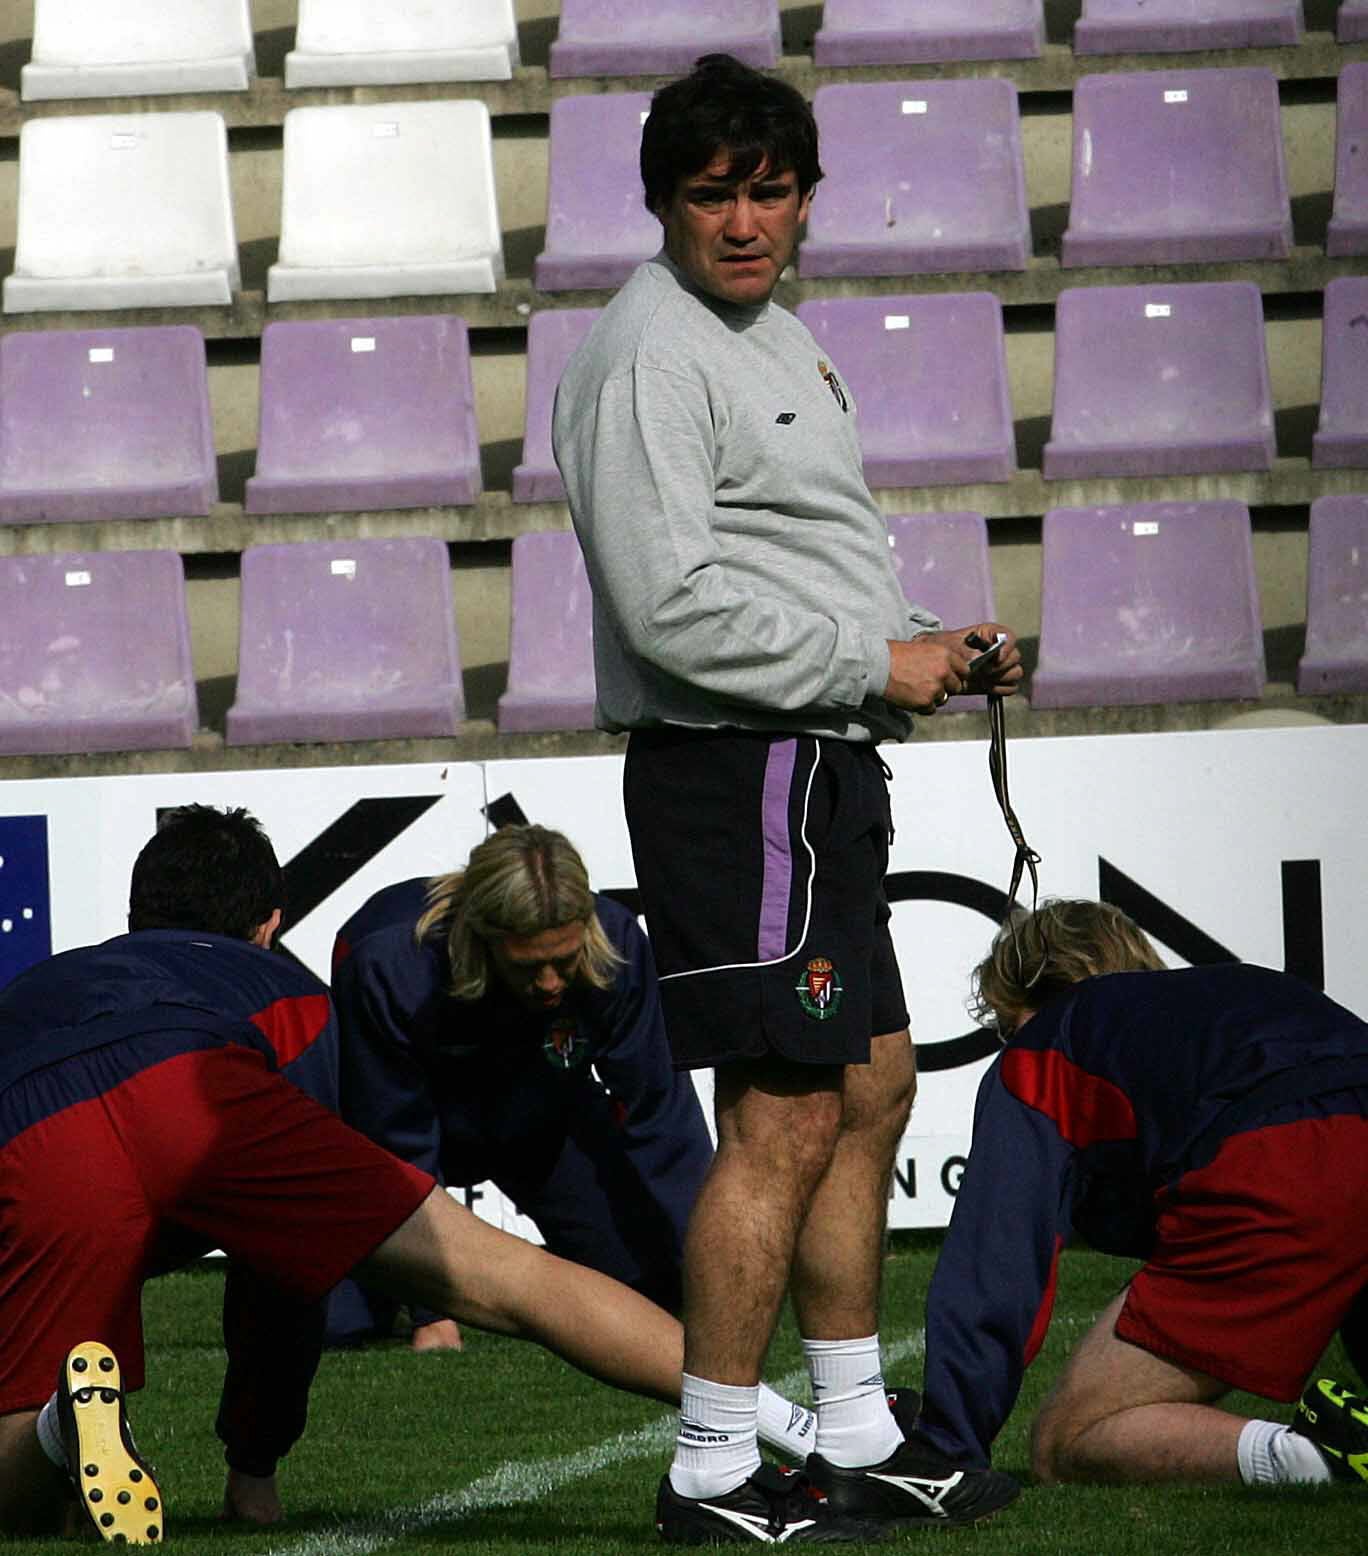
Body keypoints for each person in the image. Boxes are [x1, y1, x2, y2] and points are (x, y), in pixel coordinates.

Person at [552, 51, 1024, 1544]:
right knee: (777, 1119)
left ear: (807, 198)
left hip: (813, 759)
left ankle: (859, 1429)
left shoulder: (780, 336)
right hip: (734, 766)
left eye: (770, 190)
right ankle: (711, 1468)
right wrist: (872, 662)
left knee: (871, 1086)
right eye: (713, 195)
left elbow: (793, 566)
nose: (745, 221)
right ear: (663, 203)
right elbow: (670, 605)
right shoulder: (650, 354)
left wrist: (924, 647)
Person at [0, 807, 821, 1545]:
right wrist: (257, 1456)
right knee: (510, 1280)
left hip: (34, 1124)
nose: (547, 983)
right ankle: (800, 1428)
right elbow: (284, 1267)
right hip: (207, 1087)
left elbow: (656, 1120)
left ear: (132, 916)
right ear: (268, 925)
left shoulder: (40, 981)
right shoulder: (305, 985)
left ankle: (50, 1434)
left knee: (21, 1479)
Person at [905, 897, 1368, 1493]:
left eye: (1003, 1025)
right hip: (1332, 1117)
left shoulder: (1049, 1042)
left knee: (1067, 1439)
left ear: (1030, 998)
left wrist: (948, 1443)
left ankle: (1316, 1457)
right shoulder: (1240, 992)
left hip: (1281, 1166)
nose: (1005, 1042)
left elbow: (999, 1253)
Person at [324, 823, 713, 1351]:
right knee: (335, 1325)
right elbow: (395, 1136)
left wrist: (708, 1265)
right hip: (397, 1144)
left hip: (543, 1124)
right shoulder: (390, 962)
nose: (552, 983)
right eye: (530, 966)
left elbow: (662, 1113)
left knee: (651, 1286)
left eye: (564, 961)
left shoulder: (616, 946)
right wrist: (432, 1310)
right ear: (483, 937)